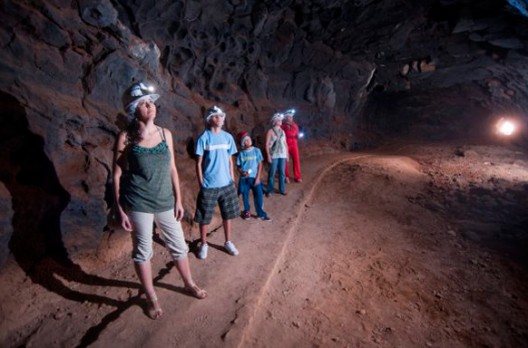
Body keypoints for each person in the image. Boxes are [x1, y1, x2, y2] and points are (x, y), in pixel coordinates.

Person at [113, 82, 207, 320]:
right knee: (143, 251)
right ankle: (151, 297)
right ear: (135, 109)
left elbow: (173, 169)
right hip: (138, 203)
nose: (150, 106)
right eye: (144, 103)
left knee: (178, 244)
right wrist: (119, 208)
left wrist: (178, 199)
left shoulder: (166, 134)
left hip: (165, 200)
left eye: (151, 102)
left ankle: (188, 282)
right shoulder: (126, 138)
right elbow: (117, 174)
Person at [194, 105, 240, 260]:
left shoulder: (228, 137)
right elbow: (198, 163)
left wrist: (232, 178)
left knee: (228, 215)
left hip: (226, 183)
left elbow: (229, 159)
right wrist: (202, 183)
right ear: (209, 119)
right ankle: (204, 243)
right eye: (216, 116)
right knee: (204, 216)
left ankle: (228, 241)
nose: (220, 118)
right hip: (209, 185)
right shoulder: (204, 138)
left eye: (221, 116)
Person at [236, 131, 271, 221]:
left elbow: (260, 164)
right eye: (246, 140)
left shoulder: (256, 151)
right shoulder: (241, 154)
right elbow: (238, 166)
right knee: (245, 196)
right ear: (243, 143)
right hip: (244, 179)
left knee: (259, 195)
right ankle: (247, 212)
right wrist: (241, 172)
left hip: (254, 177)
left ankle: (261, 213)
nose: (249, 141)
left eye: (249, 139)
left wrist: (258, 177)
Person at [265, 112, 288, 196]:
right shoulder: (270, 131)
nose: (281, 121)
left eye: (281, 120)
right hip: (274, 154)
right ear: (274, 121)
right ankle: (270, 190)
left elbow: (285, 143)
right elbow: (267, 144)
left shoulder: (283, 132)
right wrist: (268, 155)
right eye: (279, 120)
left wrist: (287, 154)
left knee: (282, 172)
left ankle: (282, 189)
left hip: (282, 154)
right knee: (272, 173)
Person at [281, 108, 302, 183]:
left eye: (291, 117)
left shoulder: (295, 125)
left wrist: (297, 136)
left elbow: (296, 134)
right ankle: (286, 176)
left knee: (296, 159)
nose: (290, 118)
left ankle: (297, 176)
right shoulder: (283, 126)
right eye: (289, 117)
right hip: (286, 143)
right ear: (286, 118)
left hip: (294, 143)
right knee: (286, 160)